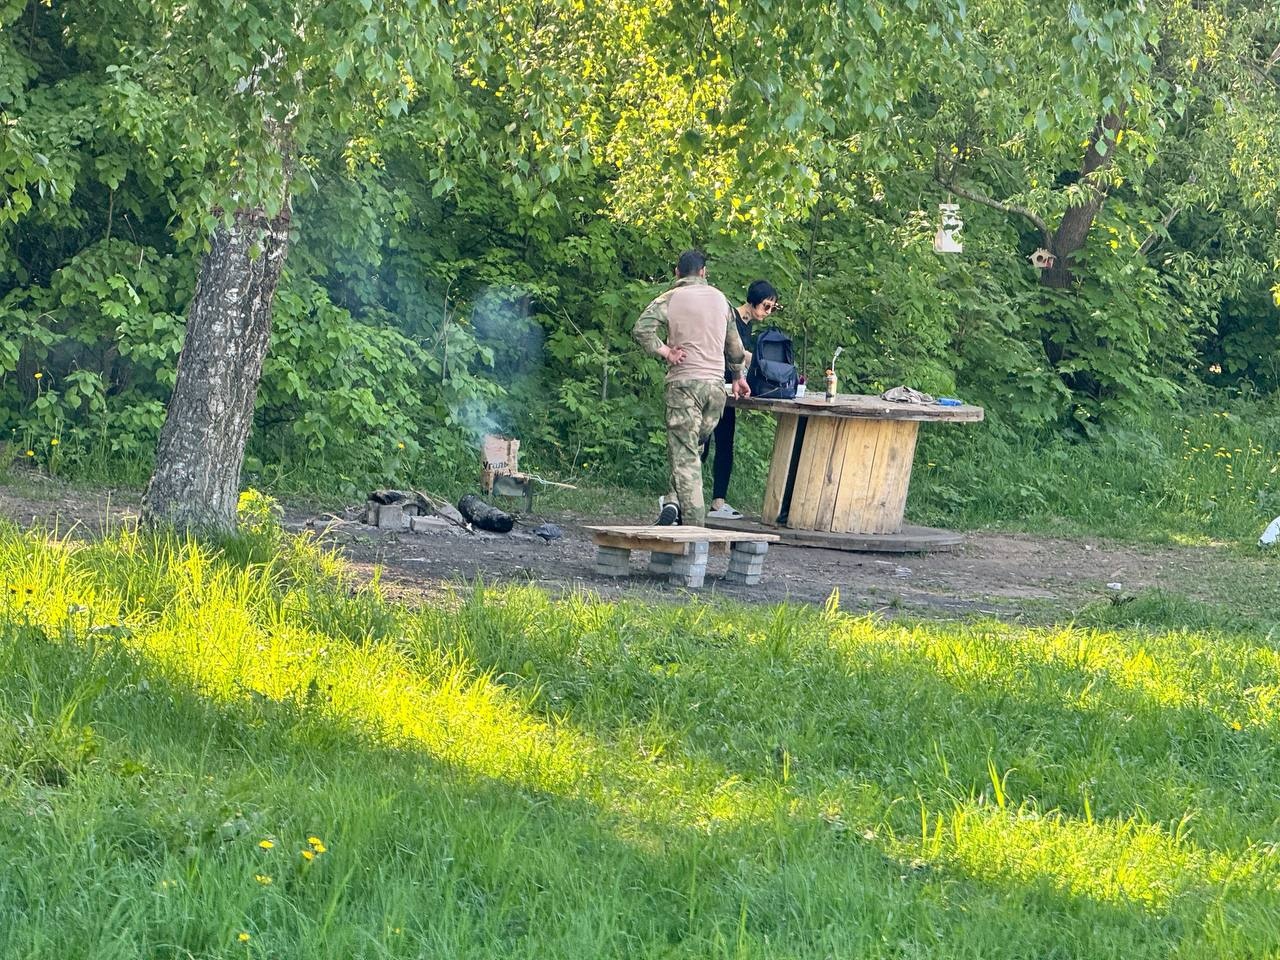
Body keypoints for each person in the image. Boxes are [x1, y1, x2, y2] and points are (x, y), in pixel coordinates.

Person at [633, 250, 750, 527]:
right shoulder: (722, 300)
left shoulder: (671, 298)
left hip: (685, 386)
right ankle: (673, 501)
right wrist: (738, 377)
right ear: (704, 272)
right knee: (690, 451)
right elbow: (735, 348)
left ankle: (694, 534)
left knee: (685, 458)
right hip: (715, 391)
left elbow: (642, 329)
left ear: (677, 273)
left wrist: (666, 352)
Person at [702, 279, 779, 520]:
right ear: (753, 301)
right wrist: (759, 361)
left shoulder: (749, 325)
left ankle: (718, 502)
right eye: (766, 306)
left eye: (772, 308)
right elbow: (732, 351)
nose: (768, 313)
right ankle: (680, 497)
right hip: (715, 387)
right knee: (701, 443)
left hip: (731, 390)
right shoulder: (731, 318)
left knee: (726, 444)